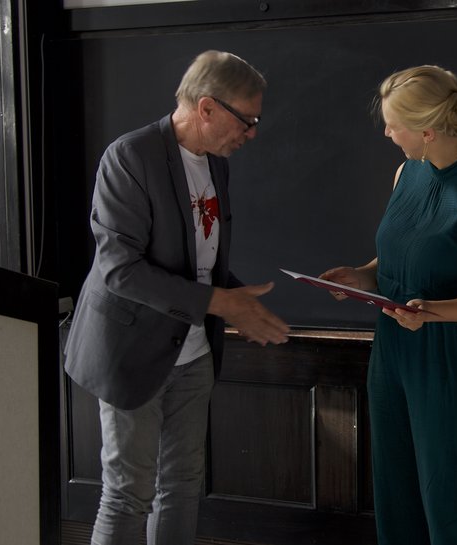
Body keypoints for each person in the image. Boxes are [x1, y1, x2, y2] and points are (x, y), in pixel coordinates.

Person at [63, 50, 290, 545]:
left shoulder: (216, 164)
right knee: (128, 493)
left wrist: (237, 296)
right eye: (247, 120)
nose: (251, 133)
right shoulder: (130, 157)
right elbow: (121, 270)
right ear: (207, 107)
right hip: (130, 351)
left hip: (194, 352)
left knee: (183, 486)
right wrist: (222, 303)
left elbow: (196, 258)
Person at [321, 65, 457, 545]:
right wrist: (361, 275)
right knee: (397, 498)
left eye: (394, 125)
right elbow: (402, 257)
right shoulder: (405, 173)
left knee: (451, 504)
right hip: (393, 352)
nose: (387, 134)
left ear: (428, 131)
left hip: (454, 361)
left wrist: (432, 312)